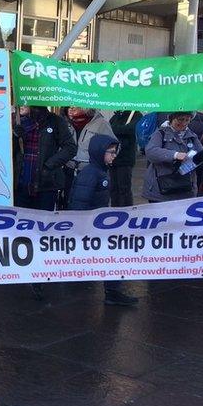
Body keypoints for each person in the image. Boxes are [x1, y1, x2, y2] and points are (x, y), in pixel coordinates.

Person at [68, 134, 139, 306]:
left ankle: (112, 291)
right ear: (100, 152)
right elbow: (79, 203)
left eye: (115, 152)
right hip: (90, 227)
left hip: (95, 225)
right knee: (111, 255)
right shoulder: (91, 174)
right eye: (111, 152)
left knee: (110, 255)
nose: (114, 155)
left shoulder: (99, 172)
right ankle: (112, 291)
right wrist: (83, 228)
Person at [12, 105, 77, 210]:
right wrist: (14, 136)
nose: (21, 105)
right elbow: (5, 151)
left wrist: (48, 166)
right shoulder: (15, 121)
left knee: (43, 222)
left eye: (26, 102)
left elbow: (70, 148)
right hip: (21, 184)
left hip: (46, 185)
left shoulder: (55, 121)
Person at [142, 111, 203, 203]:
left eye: (187, 120)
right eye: (180, 119)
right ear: (171, 119)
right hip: (161, 190)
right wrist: (175, 155)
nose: (184, 123)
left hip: (184, 189)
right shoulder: (160, 133)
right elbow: (151, 151)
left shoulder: (192, 136)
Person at [60, 107, 114, 209]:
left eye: (75, 105)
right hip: (68, 171)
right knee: (69, 203)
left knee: (90, 206)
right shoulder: (64, 123)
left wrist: (101, 162)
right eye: (69, 105)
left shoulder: (101, 123)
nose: (71, 109)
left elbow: (113, 146)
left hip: (91, 173)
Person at [108, 110, 142, 207]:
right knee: (113, 188)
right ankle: (115, 209)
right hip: (113, 157)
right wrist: (120, 129)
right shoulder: (117, 115)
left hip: (125, 157)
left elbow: (131, 129)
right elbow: (108, 128)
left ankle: (126, 210)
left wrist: (116, 129)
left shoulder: (136, 114)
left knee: (124, 188)